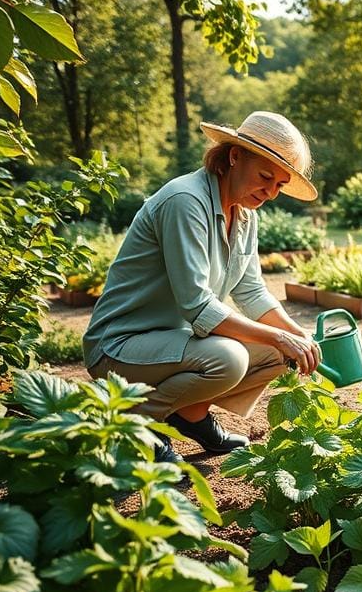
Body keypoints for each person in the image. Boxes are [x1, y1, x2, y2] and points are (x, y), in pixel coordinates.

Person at [83, 112, 323, 463]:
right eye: (265, 177)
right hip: (121, 346)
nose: (270, 193)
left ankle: (189, 417)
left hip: (177, 343)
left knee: (280, 352)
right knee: (229, 358)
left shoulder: (244, 214)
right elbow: (196, 305)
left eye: (279, 185)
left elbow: (252, 290)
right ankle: (140, 424)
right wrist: (276, 336)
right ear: (234, 156)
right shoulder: (185, 201)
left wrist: (295, 335)